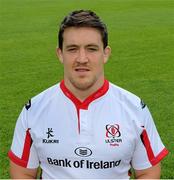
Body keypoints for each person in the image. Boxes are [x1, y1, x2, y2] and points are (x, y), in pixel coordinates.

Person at [8, 10, 169, 179]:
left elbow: (148, 172)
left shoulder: (135, 108)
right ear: (60, 54)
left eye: (91, 49)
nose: (82, 58)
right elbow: (22, 172)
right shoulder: (33, 110)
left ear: (105, 53)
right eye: (72, 49)